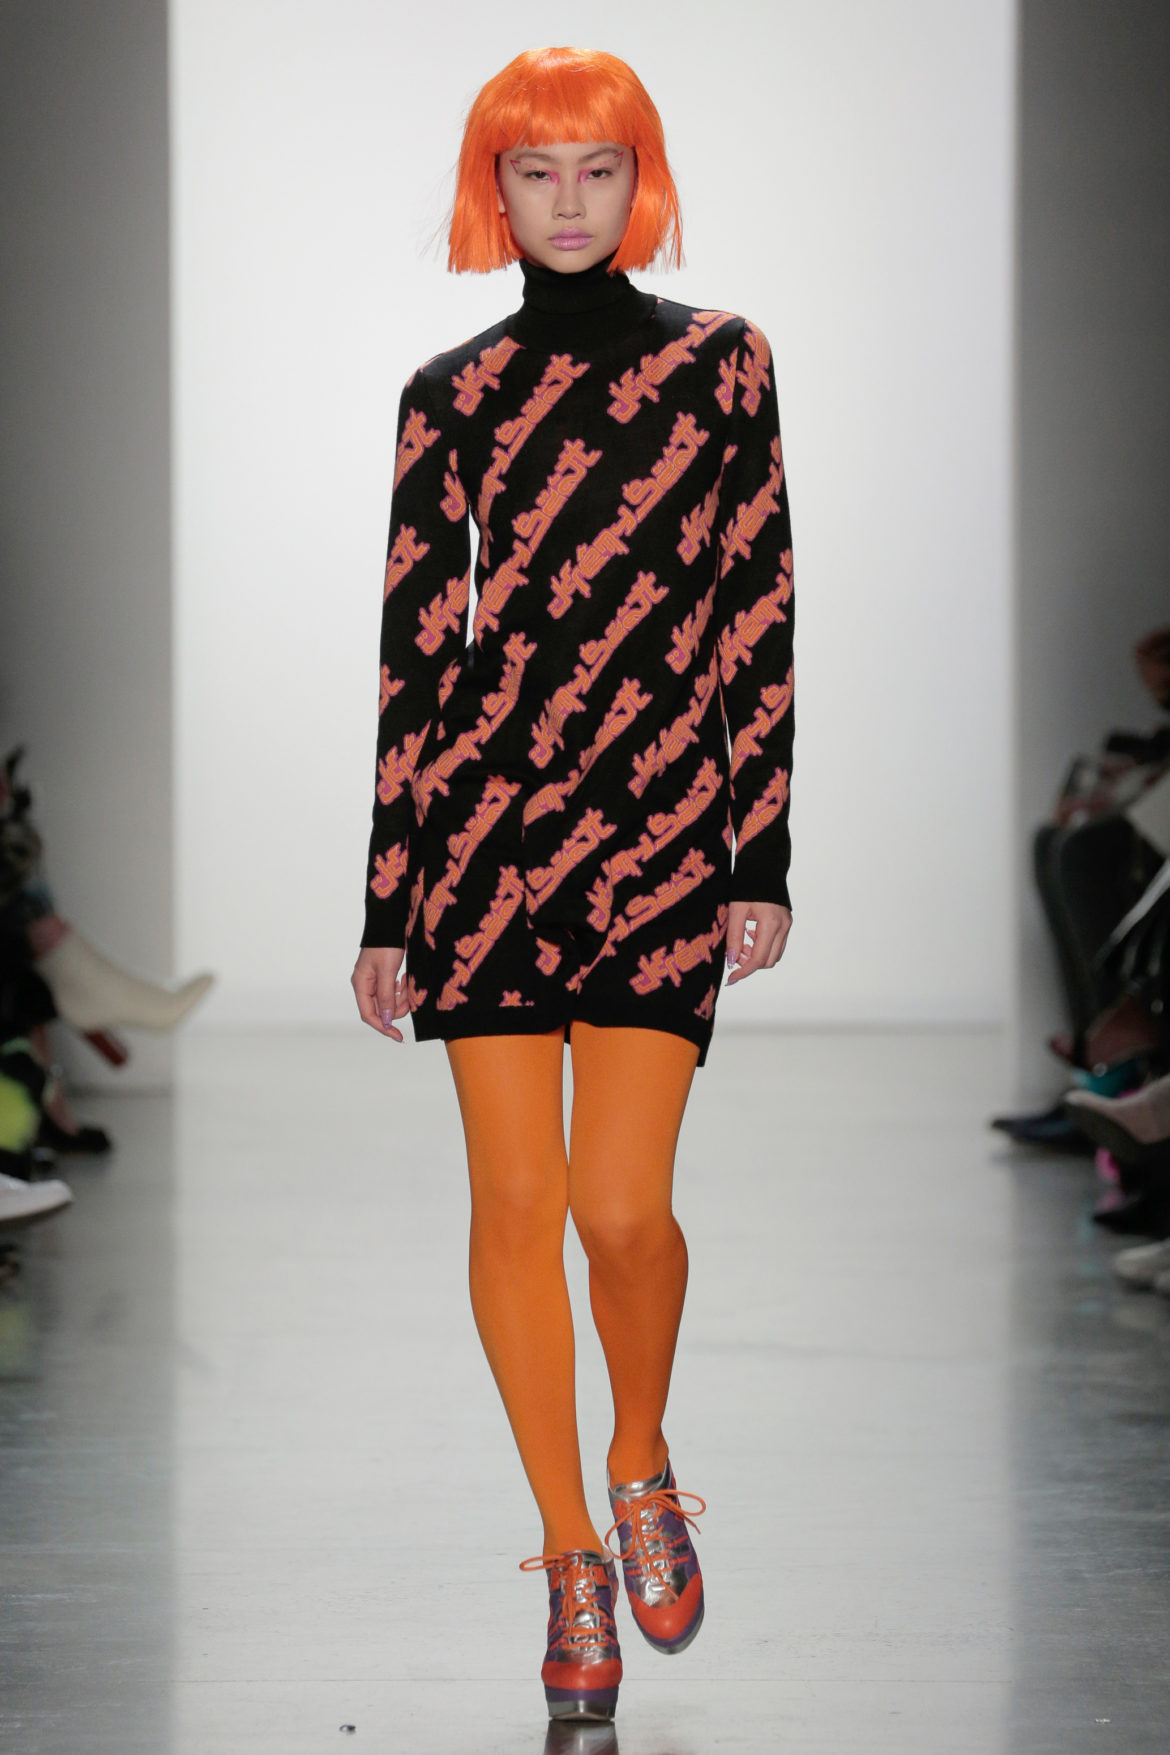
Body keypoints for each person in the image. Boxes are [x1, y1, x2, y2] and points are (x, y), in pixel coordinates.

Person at [350, 45, 795, 1726]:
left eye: (595, 168)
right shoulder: (448, 392)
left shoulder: (722, 364)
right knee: (513, 1207)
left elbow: (755, 609)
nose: (566, 200)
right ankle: (568, 1556)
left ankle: (639, 1456)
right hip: (483, 836)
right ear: (496, 187)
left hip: (662, 828)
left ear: (637, 179)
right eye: (533, 171)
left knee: (618, 1208)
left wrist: (760, 850)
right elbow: (417, 648)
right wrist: (388, 899)